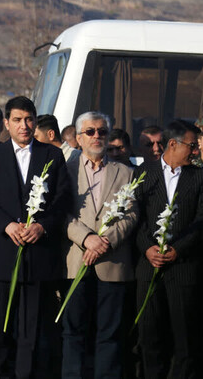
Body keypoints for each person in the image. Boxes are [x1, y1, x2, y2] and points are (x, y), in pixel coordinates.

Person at [0, 96, 71, 379]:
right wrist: (6, 225)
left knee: (31, 331)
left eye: (29, 119)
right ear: (6, 123)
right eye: (17, 120)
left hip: (37, 256)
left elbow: (62, 199)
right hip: (3, 255)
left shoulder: (52, 156)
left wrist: (42, 226)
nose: (24, 126)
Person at [133, 120, 203, 378]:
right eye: (192, 145)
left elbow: (202, 221)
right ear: (172, 144)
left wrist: (178, 249)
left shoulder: (200, 176)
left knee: (184, 340)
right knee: (150, 337)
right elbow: (136, 218)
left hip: (184, 269)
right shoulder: (144, 173)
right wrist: (147, 249)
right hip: (149, 269)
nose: (195, 151)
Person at [62, 111, 139, 378]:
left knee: (110, 334)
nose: (97, 136)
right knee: (74, 333)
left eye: (102, 132)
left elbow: (131, 213)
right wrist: (86, 238)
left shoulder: (125, 172)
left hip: (113, 262)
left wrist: (106, 241)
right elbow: (60, 212)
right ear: (79, 137)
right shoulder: (65, 170)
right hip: (75, 263)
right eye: (91, 132)